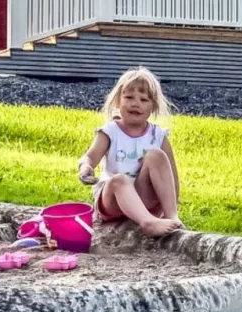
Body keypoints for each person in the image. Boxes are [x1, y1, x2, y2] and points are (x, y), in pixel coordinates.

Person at [78, 66, 183, 237]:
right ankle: (147, 223)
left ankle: (171, 218)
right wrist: (85, 168)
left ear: (153, 107)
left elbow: (171, 177)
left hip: (144, 197)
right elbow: (89, 157)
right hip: (113, 201)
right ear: (118, 100)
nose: (135, 103)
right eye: (129, 97)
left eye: (143, 99)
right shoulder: (110, 131)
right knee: (120, 180)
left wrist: (171, 209)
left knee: (156, 156)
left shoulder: (158, 136)